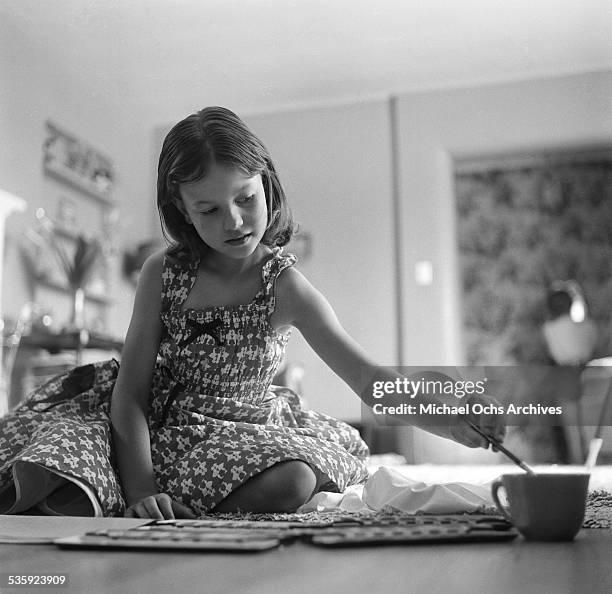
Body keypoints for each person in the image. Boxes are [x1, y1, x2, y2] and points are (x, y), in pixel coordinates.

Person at [0, 107, 505, 519]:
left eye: (245, 198)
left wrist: (450, 419)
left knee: (295, 478)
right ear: (181, 209)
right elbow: (129, 395)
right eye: (209, 210)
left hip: (241, 436)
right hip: (154, 430)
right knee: (52, 474)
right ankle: (150, 502)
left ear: (266, 183)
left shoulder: (286, 287)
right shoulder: (163, 273)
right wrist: (142, 491)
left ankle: (188, 515)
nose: (235, 222)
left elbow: (371, 380)